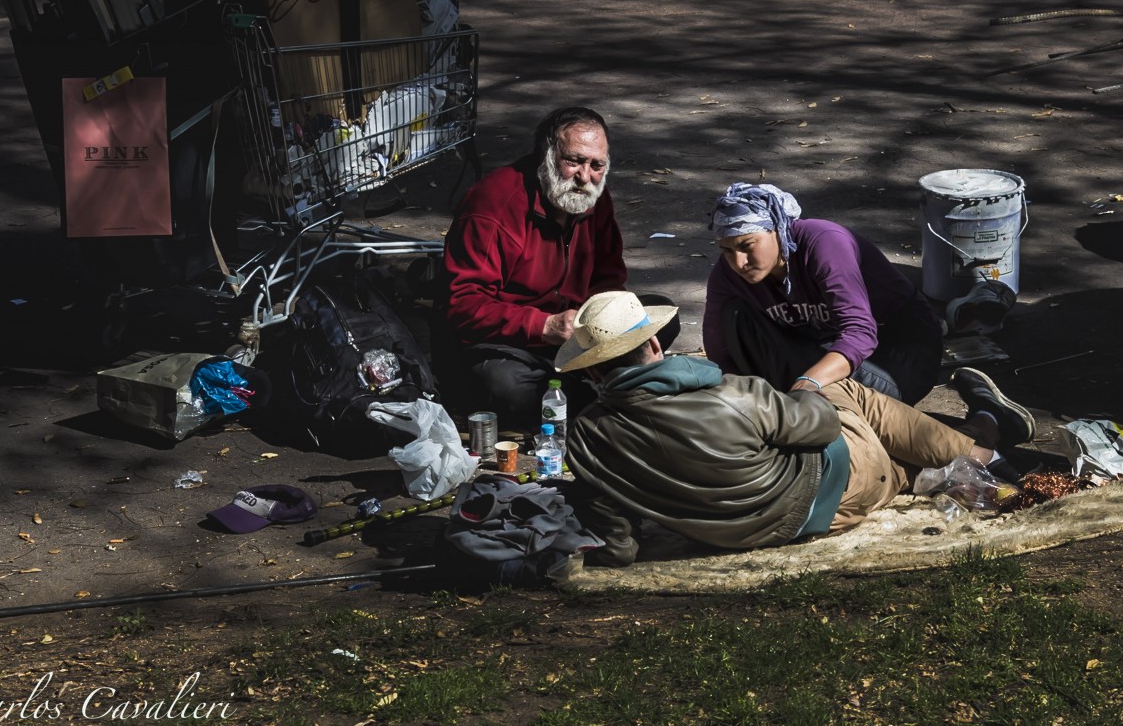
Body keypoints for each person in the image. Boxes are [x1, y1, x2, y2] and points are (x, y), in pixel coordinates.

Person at [555, 291, 1035, 566]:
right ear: (656, 350)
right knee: (843, 394)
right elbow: (821, 427)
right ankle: (987, 445)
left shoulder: (585, 438)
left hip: (753, 533)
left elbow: (617, 542)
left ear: (593, 372)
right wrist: (804, 388)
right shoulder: (731, 396)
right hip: (835, 492)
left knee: (906, 464)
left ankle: (986, 426)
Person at [440, 106, 677, 429]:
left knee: (662, 315)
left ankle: (591, 391)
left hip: (577, 334)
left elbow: (609, 279)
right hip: (510, 344)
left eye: (597, 165)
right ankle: (605, 396)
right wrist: (544, 325)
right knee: (506, 386)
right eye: (574, 161)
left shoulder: (595, 198)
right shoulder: (492, 204)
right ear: (546, 156)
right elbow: (464, 305)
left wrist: (609, 323)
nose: (584, 177)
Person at [702, 181, 942, 405]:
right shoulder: (727, 272)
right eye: (726, 250)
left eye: (747, 246)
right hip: (818, 345)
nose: (738, 262)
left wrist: (808, 383)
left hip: (896, 357)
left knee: (822, 399)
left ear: (778, 229)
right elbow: (719, 347)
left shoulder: (824, 242)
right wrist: (730, 399)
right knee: (734, 314)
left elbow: (860, 333)